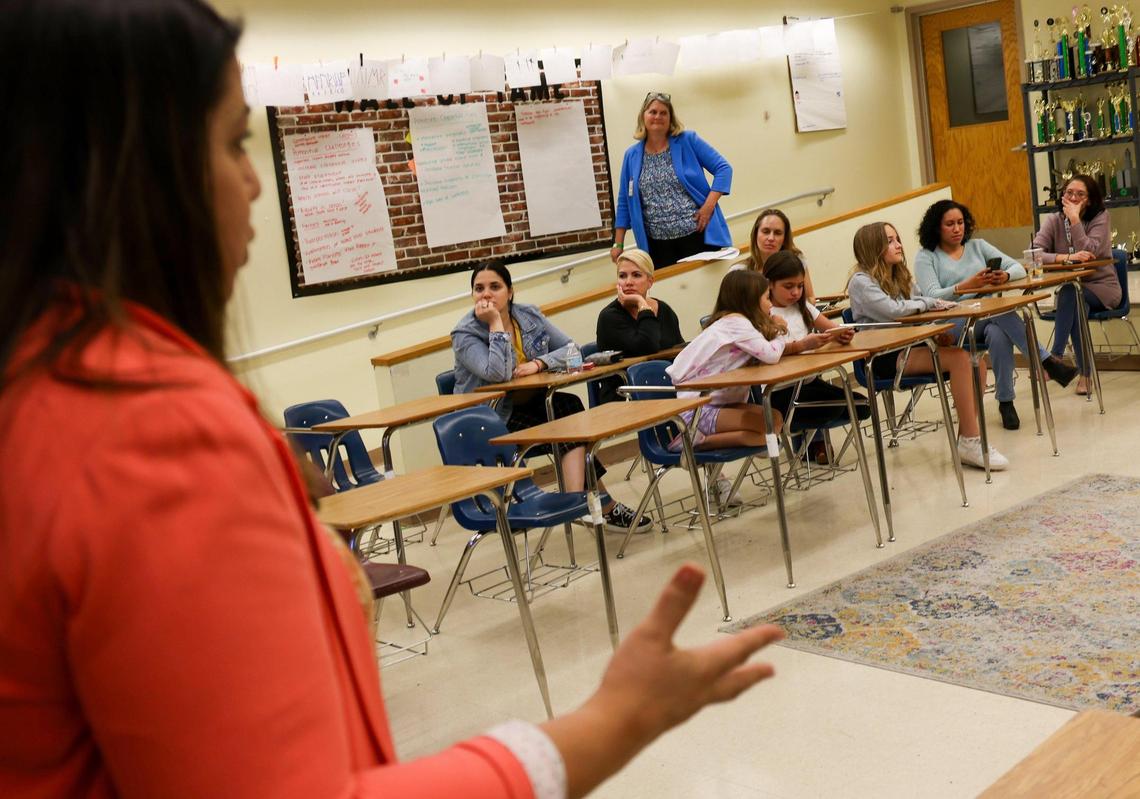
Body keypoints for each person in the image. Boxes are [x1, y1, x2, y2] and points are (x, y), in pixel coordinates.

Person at [0, 2, 787, 797]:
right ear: (132, 171)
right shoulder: (147, 433)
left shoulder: (48, 390)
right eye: (237, 140)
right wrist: (614, 721)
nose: (250, 183)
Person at [452, 261, 652, 533]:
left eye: (495, 287)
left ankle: (580, 501)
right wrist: (496, 323)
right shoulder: (465, 333)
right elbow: (497, 373)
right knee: (567, 425)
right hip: (491, 419)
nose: (486, 294)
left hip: (530, 405)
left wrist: (539, 364)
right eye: (479, 289)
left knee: (569, 406)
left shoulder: (529, 316)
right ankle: (591, 503)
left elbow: (573, 350)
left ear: (510, 292)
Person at [847, 222, 1010, 470]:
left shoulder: (898, 275)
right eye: (890, 241)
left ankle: (968, 438)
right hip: (884, 357)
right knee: (960, 359)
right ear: (873, 247)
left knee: (977, 364)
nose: (899, 245)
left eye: (897, 238)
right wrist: (927, 304)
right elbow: (894, 312)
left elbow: (919, 301)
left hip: (911, 348)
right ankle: (971, 441)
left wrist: (934, 336)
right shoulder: (860, 281)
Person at [913, 199, 1078, 431]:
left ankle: (1006, 401)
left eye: (960, 222)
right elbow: (931, 296)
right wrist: (967, 286)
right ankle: (1045, 360)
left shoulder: (977, 246)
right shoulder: (926, 256)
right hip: (951, 325)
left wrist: (1005, 277)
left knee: (998, 332)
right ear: (936, 227)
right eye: (950, 224)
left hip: (987, 318)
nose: (957, 228)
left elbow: (1019, 267)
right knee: (999, 311)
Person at [667, 270, 836, 454]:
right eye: (766, 298)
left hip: (718, 403)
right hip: (697, 410)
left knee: (775, 420)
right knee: (768, 428)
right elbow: (770, 355)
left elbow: (766, 351)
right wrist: (781, 329)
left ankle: (701, 440)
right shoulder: (736, 323)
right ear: (751, 301)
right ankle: (697, 441)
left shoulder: (741, 322)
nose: (771, 304)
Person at [762, 251, 870, 464]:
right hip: (780, 392)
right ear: (770, 284)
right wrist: (802, 345)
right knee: (841, 405)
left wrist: (842, 334)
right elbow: (766, 353)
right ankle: (804, 444)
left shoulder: (803, 307)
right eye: (788, 286)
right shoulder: (764, 313)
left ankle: (810, 446)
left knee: (862, 406)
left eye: (800, 286)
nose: (795, 292)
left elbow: (831, 328)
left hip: (808, 383)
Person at [611, 92, 732, 270]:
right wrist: (618, 244)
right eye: (653, 112)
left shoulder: (688, 140)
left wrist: (708, 206)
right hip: (656, 246)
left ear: (670, 118)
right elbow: (624, 201)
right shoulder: (632, 155)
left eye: (663, 113)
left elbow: (724, 169)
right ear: (643, 116)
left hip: (696, 236)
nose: (658, 116)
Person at [1032, 174, 1120, 395]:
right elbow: (1034, 255)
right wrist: (1063, 258)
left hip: (1102, 287)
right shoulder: (1053, 221)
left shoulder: (1101, 217)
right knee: (1074, 301)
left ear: (1089, 200)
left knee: (1070, 293)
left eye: (1080, 194)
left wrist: (1074, 220)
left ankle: (1055, 357)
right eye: (1069, 192)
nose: (1072, 197)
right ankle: (1085, 375)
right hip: (1074, 293)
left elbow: (1091, 250)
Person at [595, 247, 685, 405]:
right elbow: (647, 346)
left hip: (667, 386)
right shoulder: (609, 317)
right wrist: (642, 303)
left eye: (636, 275)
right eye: (622, 276)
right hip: (626, 394)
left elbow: (678, 351)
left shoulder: (664, 309)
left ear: (650, 281)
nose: (628, 282)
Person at [736, 208, 818, 304]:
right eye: (766, 231)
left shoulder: (797, 259)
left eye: (778, 233)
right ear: (755, 235)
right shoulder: (739, 270)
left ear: (784, 238)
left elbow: (811, 298)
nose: (771, 238)